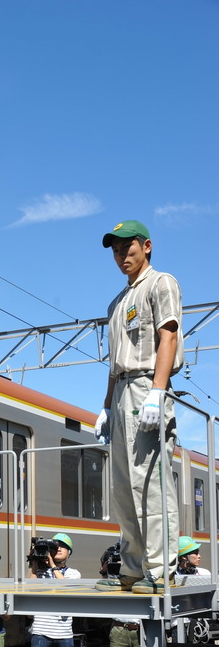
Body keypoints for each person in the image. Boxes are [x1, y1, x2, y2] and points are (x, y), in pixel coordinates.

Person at [94, 221, 184, 596]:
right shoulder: (116, 303)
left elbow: (169, 335)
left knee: (150, 482)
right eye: (114, 251)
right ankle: (131, 568)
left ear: (146, 246)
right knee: (123, 487)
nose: (120, 257)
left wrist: (158, 391)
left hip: (148, 384)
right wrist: (106, 408)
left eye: (126, 249)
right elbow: (115, 362)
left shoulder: (161, 283)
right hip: (121, 392)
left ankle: (162, 570)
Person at [28, 533, 80, 647]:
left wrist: (52, 566)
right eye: (54, 546)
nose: (58, 549)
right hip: (41, 630)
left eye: (63, 546)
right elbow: (29, 589)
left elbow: (66, 589)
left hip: (64, 633)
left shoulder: (74, 573)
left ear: (70, 552)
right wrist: (34, 562)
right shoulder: (41, 573)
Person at [175, 536, 216, 647]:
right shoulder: (172, 576)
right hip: (180, 628)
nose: (199, 556)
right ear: (184, 557)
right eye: (195, 553)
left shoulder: (205, 574)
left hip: (202, 628)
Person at [100, 545, 142, 647]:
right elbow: (104, 583)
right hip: (119, 629)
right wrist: (105, 570)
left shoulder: (141, 561)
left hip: (143, 629)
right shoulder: (113, 560)